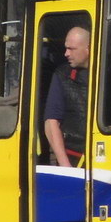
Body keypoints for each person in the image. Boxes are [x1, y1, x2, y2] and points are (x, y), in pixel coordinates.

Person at [45, 25, 90, 167]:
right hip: (73, 159)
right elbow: (51, 123)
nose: (66, 54)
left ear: (88, 48)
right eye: (66, 48)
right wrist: (66, 166)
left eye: (72, 49)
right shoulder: (62, 75)